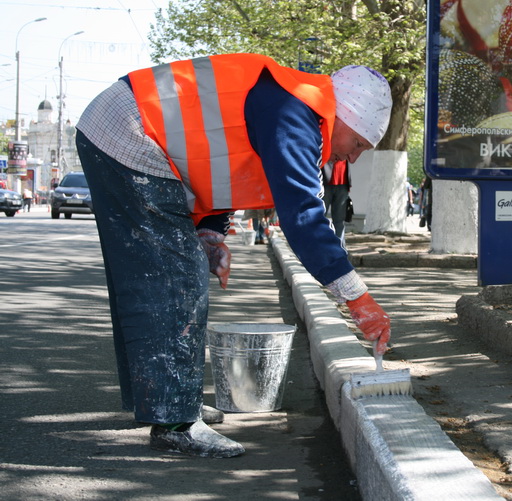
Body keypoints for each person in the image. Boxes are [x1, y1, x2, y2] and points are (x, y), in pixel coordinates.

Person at [75, 54, 393, 457]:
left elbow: (221, 158)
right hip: (128, 129)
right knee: (175, 275)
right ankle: (175, 421)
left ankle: (165, 400)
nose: (353, 157)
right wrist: (358, 298)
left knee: (163, 270)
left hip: (125, 124)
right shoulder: (296, 113)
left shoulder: (291, 104)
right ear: (346, 118)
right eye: (360, 143)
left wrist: (211, 234)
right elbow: (304, 216)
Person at [322, 159, 351, 242]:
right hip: (325, 184)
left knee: (339, 220)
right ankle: (318, 246)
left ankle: (340, 248)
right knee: (320, 217)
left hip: (343, 184)